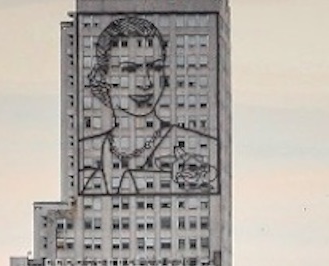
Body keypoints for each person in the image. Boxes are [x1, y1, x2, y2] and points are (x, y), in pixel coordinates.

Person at [75, 14, 220, 195]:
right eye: (129, 69)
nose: (146, 82)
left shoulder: (201, 145)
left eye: (156, 68)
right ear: (103, 76)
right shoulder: (83, 151)